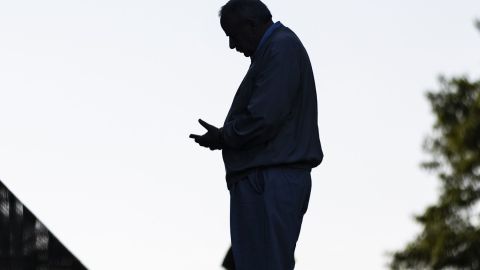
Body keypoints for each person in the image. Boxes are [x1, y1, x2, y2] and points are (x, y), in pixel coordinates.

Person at [189, 0, 323, 269]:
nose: (231, 45)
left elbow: (263, 118)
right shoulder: (274, 50)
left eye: (232, 35)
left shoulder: (281, 48)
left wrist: (224, 137)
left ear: (250, 25)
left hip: (270, 179)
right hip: (265, 178)